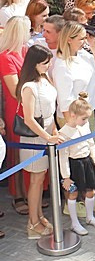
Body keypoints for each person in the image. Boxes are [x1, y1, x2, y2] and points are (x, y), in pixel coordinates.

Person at [16, 43, 59, 238]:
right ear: (34, 64)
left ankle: (39, 216)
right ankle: (32, 223)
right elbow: (29, 119)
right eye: (44, 63)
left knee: (40, 179)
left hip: (47, 134)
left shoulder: (44, 79)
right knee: (35, 180)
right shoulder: (29, 87)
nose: (48, 66)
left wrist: (53, 132)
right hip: (34, 139)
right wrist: (47, 136)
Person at [57, 93, 95, 235]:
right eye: (83, 118)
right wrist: (66, 176)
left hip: (87, 162)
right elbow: (63, 156)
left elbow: (90, 143)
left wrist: (94, 160)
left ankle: (90, 217)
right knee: (72, 194)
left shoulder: (85, 126)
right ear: (72, 115)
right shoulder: (63, 133)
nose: (85, 121)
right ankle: (75, 223)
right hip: (73, 165)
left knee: (90, 190)